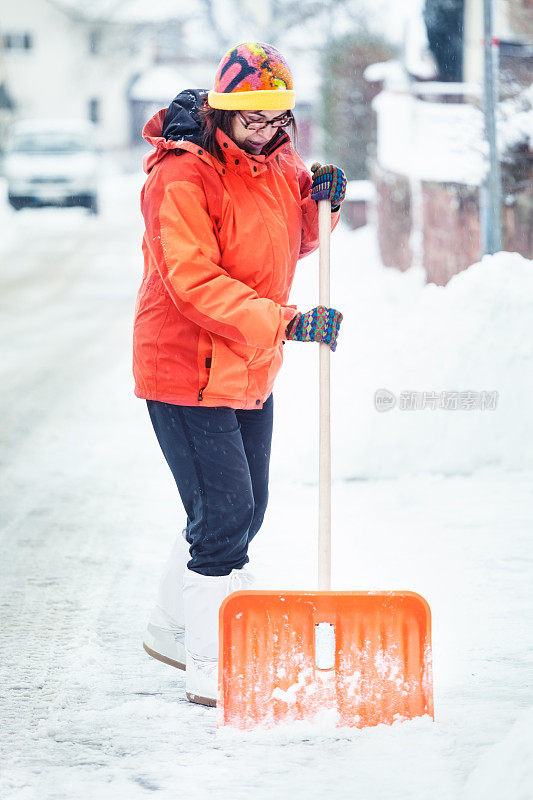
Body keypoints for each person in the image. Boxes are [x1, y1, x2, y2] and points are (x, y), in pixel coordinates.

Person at [133, 41, 346, 707]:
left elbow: (289, 236)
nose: (266, 133)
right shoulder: (179, 178)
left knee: (241, 511)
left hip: (248, 361)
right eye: (251, 120)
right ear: (221, 112)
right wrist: (286, 321)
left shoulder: (275, 164)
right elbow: (192, 280)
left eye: (277, 119)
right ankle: (210, 664)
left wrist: (320, 206)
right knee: (224, 513)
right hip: (184, 365)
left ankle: (172, 626)